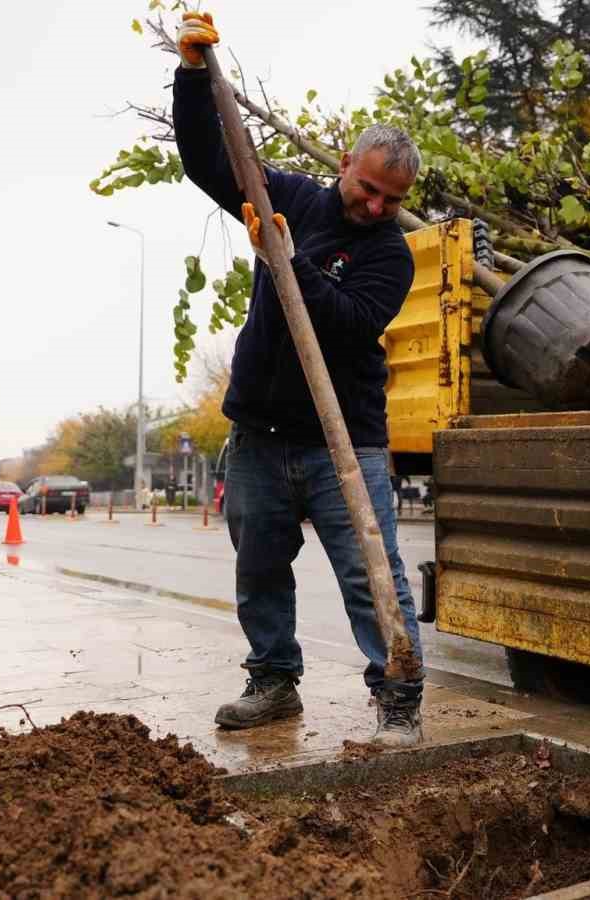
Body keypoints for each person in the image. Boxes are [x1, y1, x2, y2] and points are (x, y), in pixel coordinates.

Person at [172, 12, 426, 745]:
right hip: (258, 432)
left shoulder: (391, 254)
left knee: (371, 575)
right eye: (369, 187)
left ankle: (399, 700)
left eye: (390, 200)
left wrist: (290, 260)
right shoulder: (290, 197)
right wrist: (193, 78)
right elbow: (206, 161)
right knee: (259, 570)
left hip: (342, 439)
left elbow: (345, 323)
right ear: (346, 162)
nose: (375, 206)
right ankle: (274, 682)